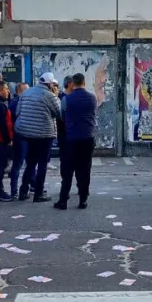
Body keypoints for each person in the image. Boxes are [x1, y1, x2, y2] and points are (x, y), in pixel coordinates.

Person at [15, 72, 62, 202]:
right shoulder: (50, 95)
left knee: (30, 164)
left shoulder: (26, 93)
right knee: (42, 165)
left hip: (26, 133)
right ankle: (39, 193)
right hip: (44, 134)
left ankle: (23, 191)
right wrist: (56, 96)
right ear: (50, 84)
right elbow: (58, 113)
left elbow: (18, 112)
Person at [55, 73, 98, 210]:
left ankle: (63, 201)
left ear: (73, 83)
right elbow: (93, 114)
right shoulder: (92, 98)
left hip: (71, 139)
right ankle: (83, 200)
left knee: (68, 170)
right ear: (84, 82)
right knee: (84, 170)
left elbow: (61, 116)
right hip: (88, 137)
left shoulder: (67, 99)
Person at [9, 82, 30, 198]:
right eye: (25, 90)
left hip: (26, 136)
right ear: (18, 92)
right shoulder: (15, 103)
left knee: (30, 163)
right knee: (18, 164)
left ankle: (32, 185)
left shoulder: (21, 102)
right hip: (20, 137)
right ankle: (14, 190)